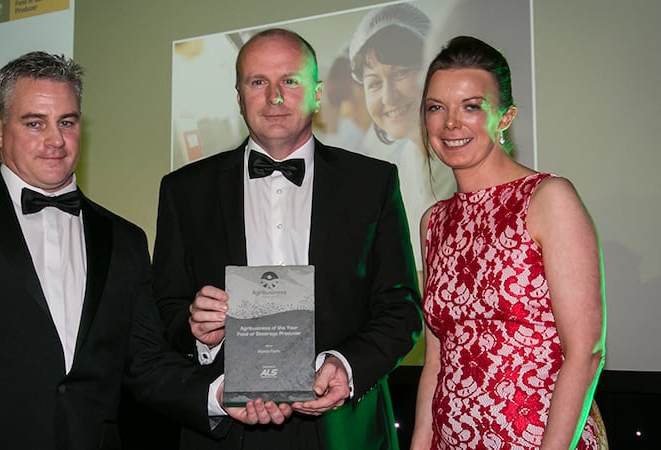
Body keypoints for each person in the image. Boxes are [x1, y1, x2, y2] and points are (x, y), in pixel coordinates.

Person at [0, 51, 289, 450]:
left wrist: (220, 393)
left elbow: (148, 364)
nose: (55, 140)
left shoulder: (123, 239)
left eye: (66, 122)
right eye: (34, 123)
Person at [152, 28, 423, 450]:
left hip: (340, 428)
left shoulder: (372, 183)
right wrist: (197, 333)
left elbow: (401, 308)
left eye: (290, 81)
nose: (274, 97)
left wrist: (345, 365)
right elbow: (164, 307)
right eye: (257, 82)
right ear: (239, 96)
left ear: (317, 93)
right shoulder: (184, 190)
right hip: (227, 426)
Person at [411, 36, 608, 449]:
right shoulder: (434, 222)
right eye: (436, 107)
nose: (451, 123)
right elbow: (435, 363)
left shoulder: (548, 199)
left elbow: (586, 353)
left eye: (471, 106)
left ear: (505, 117)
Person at [349, 3, 456, 274]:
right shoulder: (391, 169)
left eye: (400, 74)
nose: (388, 97)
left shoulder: (462, 162)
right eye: (374, 83)